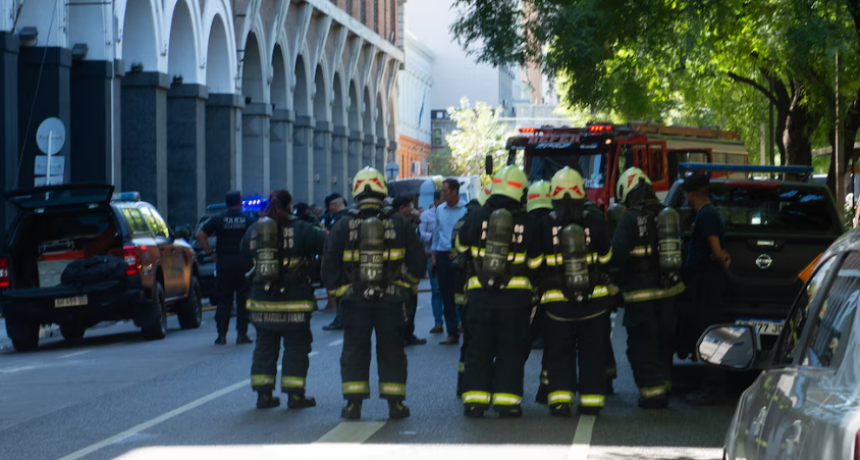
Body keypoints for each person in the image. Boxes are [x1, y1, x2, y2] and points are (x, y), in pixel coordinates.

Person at [322, 167, 426, 420]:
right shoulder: (400, 221)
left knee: (354, 351)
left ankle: (353, 406)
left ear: (356, 191)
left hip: (355, 302)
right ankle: (395, 405)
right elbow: (418, 260)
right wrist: (407, 285)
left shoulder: (343, 223)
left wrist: (341, 292)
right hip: (392, 301)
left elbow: (328, 265)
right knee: (392, 351)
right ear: (382, 190)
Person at [457, 166, 543, 418]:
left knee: (478, 349)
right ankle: (507, 402)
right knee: (510, 350)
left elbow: (460, 247)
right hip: (515, 301)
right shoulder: (529, 221)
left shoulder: (476, 215)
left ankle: (475, 402)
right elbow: (537, 263)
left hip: (479, 297)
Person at [539, 167, 614, 417]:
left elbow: (535, 264)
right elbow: (607, 258)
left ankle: (560, 402)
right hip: (594, 304)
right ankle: (591, 403)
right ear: (582, 194)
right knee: (593, 353)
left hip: (557, 306)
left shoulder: (544, 225)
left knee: (560, 353)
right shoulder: (596, 222)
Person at [241, 190, 326, 409]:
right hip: (294, 301)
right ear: (289, 205)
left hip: (262, 301)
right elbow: (325, 244)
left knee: (265, 347)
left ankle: (263, 396)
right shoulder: (301, 228)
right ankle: (295, 396)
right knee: (296, 348)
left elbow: (243, 250)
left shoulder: (255, 229)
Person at [611, 168, 686, 409]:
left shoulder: (629, 219)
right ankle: (664, 386)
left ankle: (653, 395)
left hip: (640, 295)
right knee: (663, 343)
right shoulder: (667, 215)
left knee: (642, 346)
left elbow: (617, 257)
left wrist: (615, 284)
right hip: (671, 293)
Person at [682, 173, 730, 406]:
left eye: (686, 193)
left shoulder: (706, 215)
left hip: (706, 281)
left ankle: (713, 387)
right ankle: (710, 384)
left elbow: (716, 250)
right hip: (705, 280)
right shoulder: (706, 214)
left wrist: (723, 261)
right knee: (708, 330)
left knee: (710, 332)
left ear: (692, 193)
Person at [196, 190, 255, 345]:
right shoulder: (248, 219)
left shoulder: (218, 219)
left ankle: (221, 335)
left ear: (227, 203)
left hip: (224, 263)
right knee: (243, 300)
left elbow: (200, 235)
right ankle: (242, 335)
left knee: (223, 300)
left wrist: (210, 253)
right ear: (240, 202)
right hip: (244, 263)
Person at [455, 183, 490, 397]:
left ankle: (464, 385)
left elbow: (457, 252)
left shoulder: (465, 222)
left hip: (470, 290)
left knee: (470, 344)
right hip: (494, 293)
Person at [525, 180, 553, 404]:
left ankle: (506, 386)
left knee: (518, 342)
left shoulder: (528, 224)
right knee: (554, 344)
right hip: (555, 293)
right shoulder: (557, 223)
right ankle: (545, 389)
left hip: (528, 293)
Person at [432, 178, 468, 345]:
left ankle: (468, 330)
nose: (442, 193)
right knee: (446, 296)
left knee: (463, 297)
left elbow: (470, 235)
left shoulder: (467, 209)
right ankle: (452, 333)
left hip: (460, 258)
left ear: (454, 191)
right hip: (442, 256)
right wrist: (434, 255)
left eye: (445, 191)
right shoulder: (439, 209)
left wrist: (460, 252)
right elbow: (437, 234)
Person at [393, 195, 427, 346]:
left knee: (408, 305)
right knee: (406, 306)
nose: (411, 210)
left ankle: (407, 335)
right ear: (402, 208)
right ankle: (403, 336)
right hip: (403, 272)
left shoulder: (396, 222)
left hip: (401, 272)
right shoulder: (401, 224)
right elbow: (413, 249)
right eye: (409, 207)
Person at [420, 190, 445, 333]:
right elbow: (421, 233)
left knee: (451, 290)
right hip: (432, 256)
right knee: (436, 290)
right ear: (435, 201)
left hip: (447, 255)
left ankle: (456, 322)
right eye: (442, 198)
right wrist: (432, 237)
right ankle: (438, 323)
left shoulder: (450, 212)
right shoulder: (426, 215)